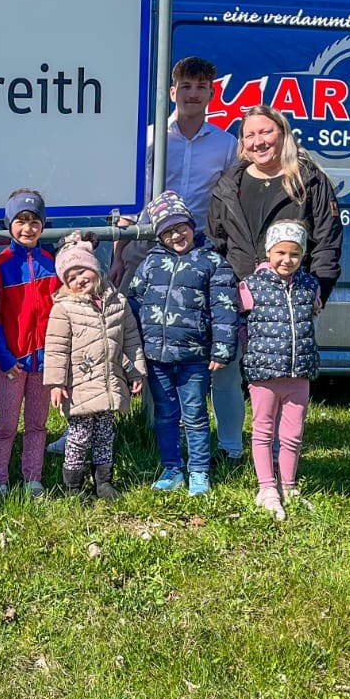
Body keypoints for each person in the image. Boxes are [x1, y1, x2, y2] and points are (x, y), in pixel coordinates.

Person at [128, 191, 238, 497]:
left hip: (194, 357)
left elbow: (225, 308)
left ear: (191, 225)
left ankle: (199, 470)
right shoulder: (151, 264)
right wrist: (132, 347)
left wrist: (222, 348)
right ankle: (171, 468)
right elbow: (134, 303)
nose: (176, 236)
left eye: (180, 227)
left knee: (195, 415)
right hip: (156, 356)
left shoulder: (212, 262)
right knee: (165, 414)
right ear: (159, 236)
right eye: (167, 231)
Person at [207, 104, 343, 304]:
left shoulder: (309, 181)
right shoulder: (228, 186)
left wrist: (317, 294)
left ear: (283, 134)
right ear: (242, 142)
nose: (258, 142)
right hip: (236, 302)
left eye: (265, 132)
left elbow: (326, 246)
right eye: (250, 135)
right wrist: (219, 297)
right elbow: (213, 247)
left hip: (291, 301)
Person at [42, 238, 146, 500]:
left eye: (82, 271)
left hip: (110, 382)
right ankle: (73, 487)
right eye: (71, 278)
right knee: (78, 437)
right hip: (80, 385)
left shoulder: (117, 301)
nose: (79, 280)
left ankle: (104, 482)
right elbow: (56, 348)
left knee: (105, 436)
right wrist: (56, 383)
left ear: (95, 268)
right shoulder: (64, 308)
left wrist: (135, 371)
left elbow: (131, 339)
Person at [239, 220, 323, 521]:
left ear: (303, 256)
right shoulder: (250, 285)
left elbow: (312, 315)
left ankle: (289, 485)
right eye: (281, 253)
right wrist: (248, 351)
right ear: (269, 252)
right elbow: (239, 323)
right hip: (264, 374)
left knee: (293, 433)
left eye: (295, 254)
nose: (287, 259)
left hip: (299, 372)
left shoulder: (310, 286)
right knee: (263, 430)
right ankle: (266, 488)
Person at [0, 188, 58, 498]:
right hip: (11, 363)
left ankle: (33, 479)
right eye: (21, 221)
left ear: (42, 225)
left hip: (43, 362)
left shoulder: (51, 262)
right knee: (6, 425)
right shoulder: (1, 264)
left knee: (37, 425)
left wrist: (54, 355)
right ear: (9, 224)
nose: (28, 228)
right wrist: (3, 356)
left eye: (34, 222)